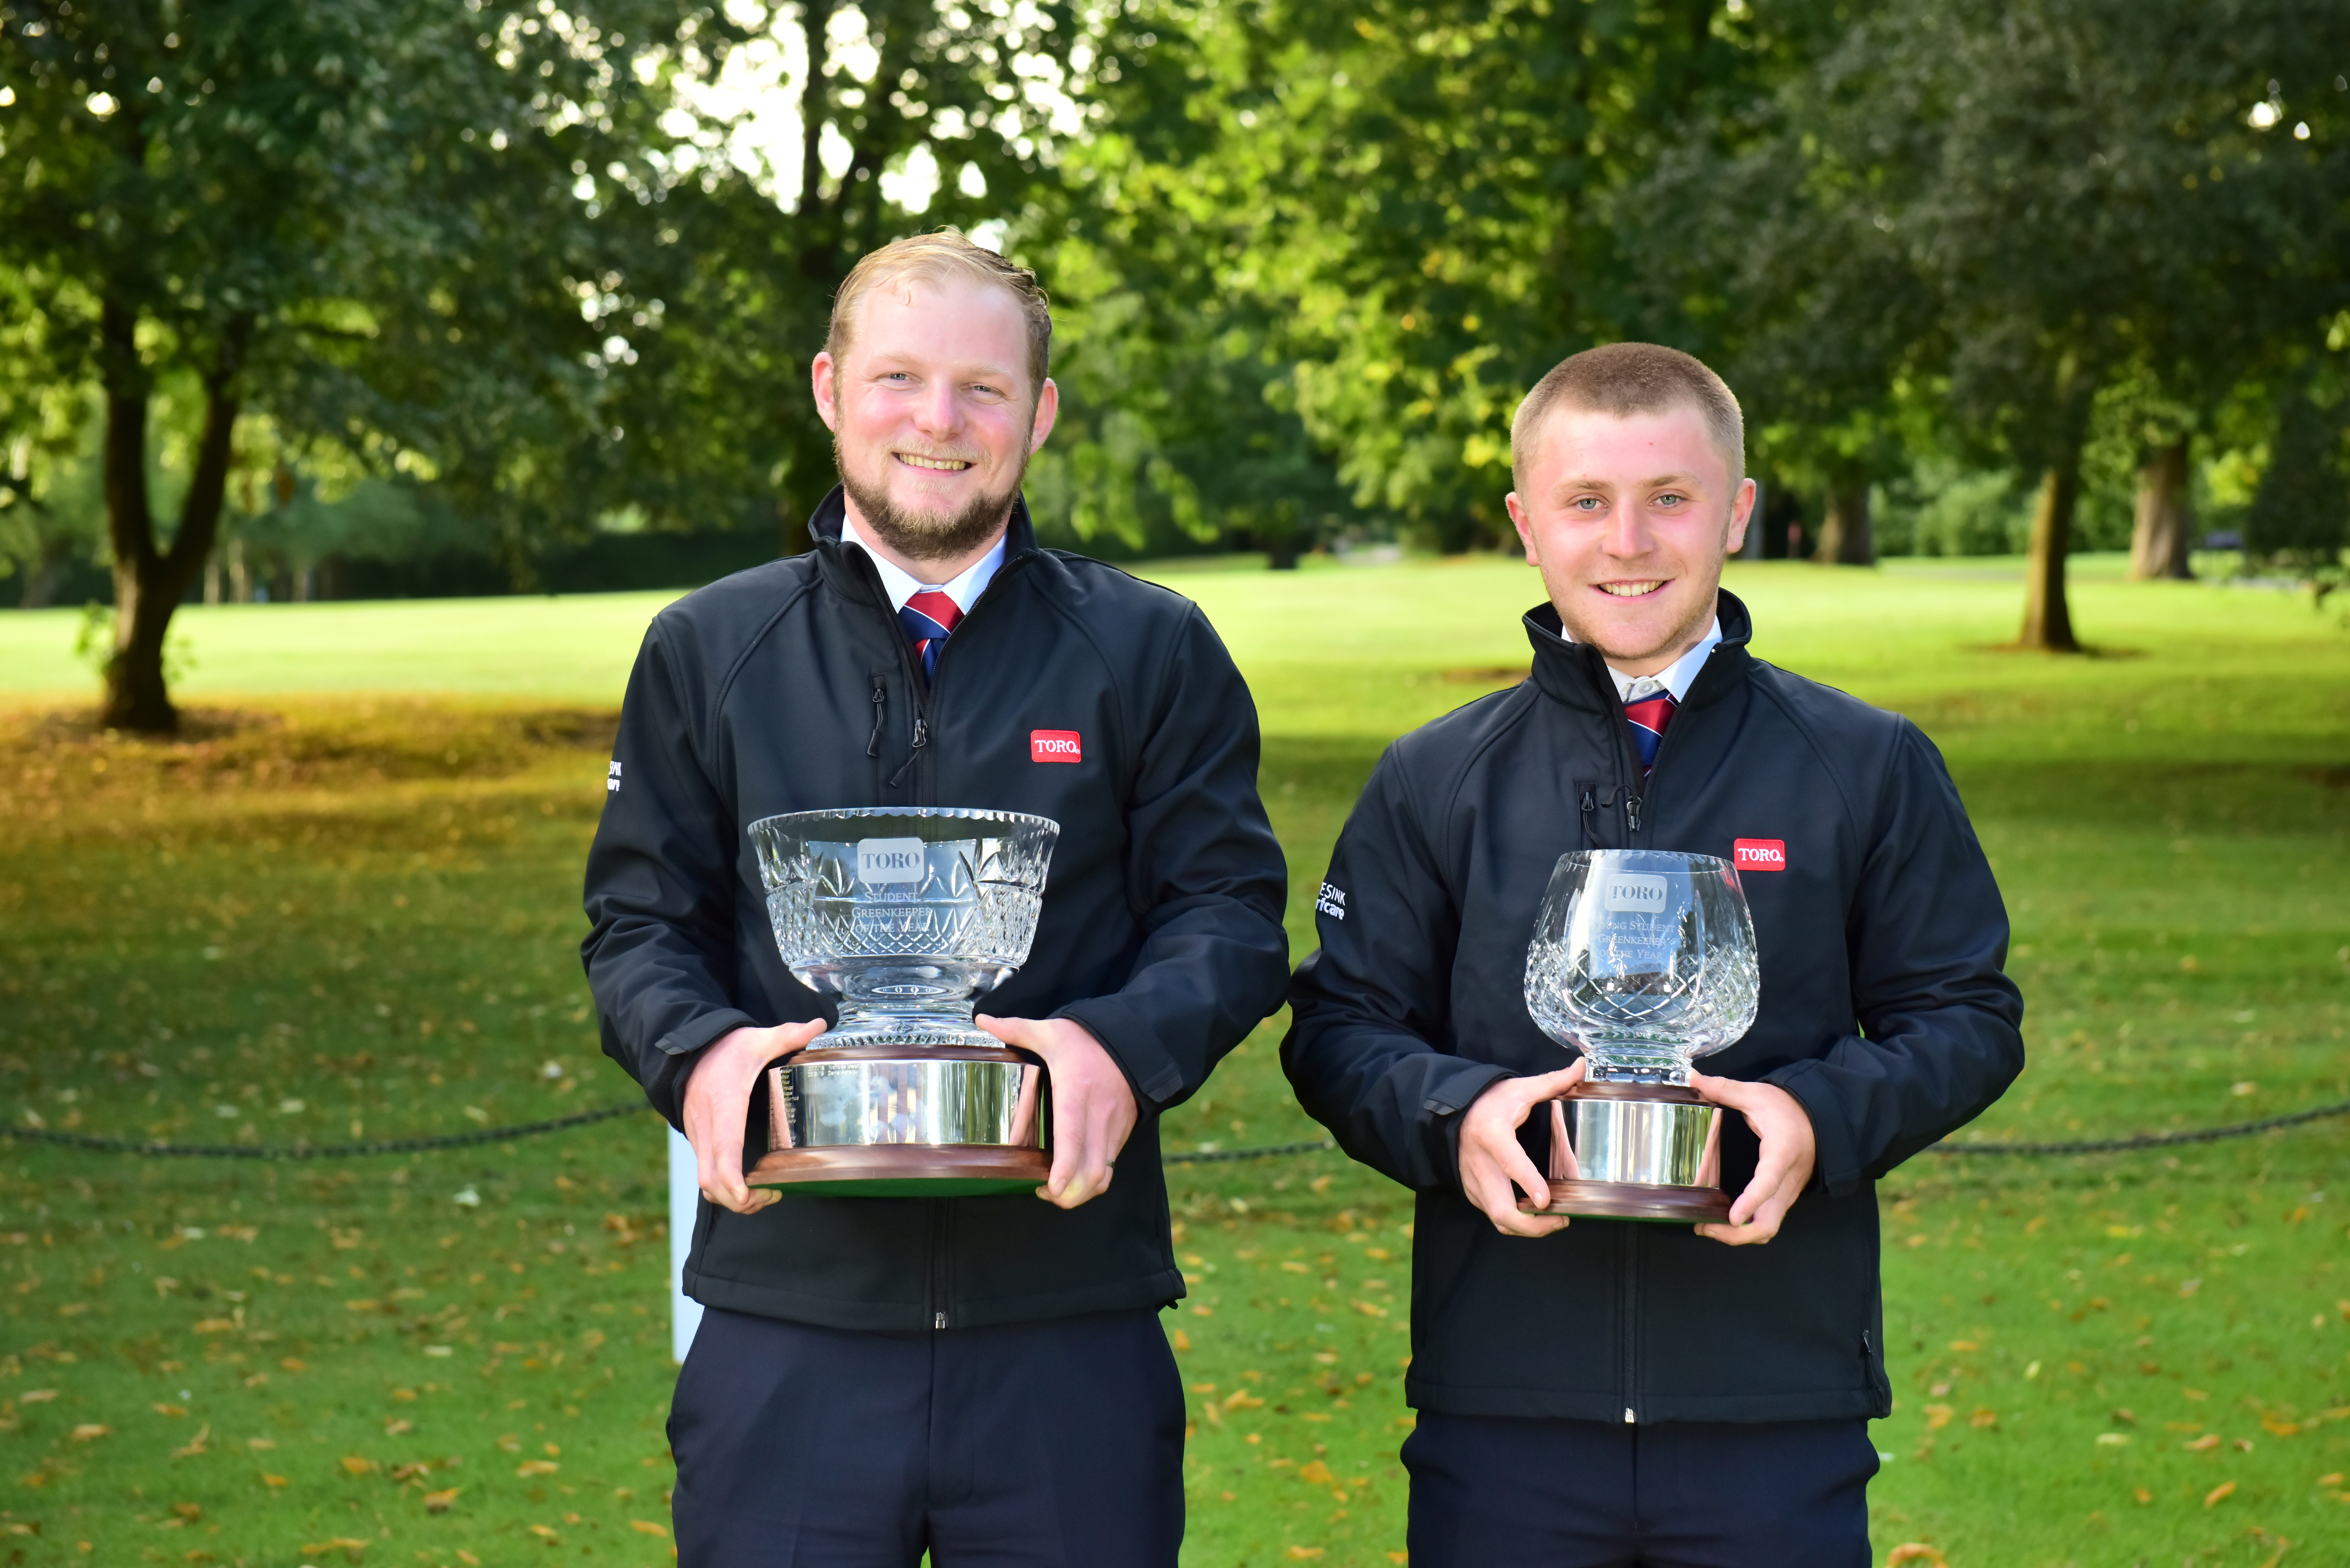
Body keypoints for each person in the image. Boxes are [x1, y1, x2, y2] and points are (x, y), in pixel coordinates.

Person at [583, 230, 1289, 1567]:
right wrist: (701, 1054)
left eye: (983, 388)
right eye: (900, 377)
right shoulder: (706, 647)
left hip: (1067, 1320)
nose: (939, 421)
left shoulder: (1149, 647)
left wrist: (1117, 1049)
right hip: (789, 1320)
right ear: (829, 388)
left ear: (1041, 412)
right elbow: (639, 927)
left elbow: (1232, 913)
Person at [1283, 343, 2024, 1566]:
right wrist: (1459, 1115)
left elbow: (1964, 1013)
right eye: (1586, 502)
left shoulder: (1866, 762)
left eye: (1670, 498)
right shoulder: (1436, 778)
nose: (1628, 541)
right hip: (1506, 1404)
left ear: (1736, 511)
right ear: (1529, 524)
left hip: (1774, 1404)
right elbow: (1339, 1030)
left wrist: (1818, 1121)